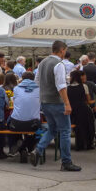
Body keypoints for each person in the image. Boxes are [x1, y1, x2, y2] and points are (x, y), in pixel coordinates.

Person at [32, 40, 81, 171]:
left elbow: (37, 82)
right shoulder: (59, 64)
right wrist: (67, 103)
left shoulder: (42, 63)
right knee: (65, 131)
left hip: (45, 102)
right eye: (65, 50)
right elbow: (61, 86)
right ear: (62, 50)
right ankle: (66, 162)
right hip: (57, 102)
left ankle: (38, 150)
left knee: (52, 129)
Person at [6, 71, 41, 164]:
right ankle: (28, 146)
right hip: (33, 123)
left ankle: (19, 146)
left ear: (22, 78)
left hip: (16, 124)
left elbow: (15, 101)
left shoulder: (16, 89)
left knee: (8, 123)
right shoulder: (39, 89)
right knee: (40, 130)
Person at [67, 70, 95, 151]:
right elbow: (88, 101)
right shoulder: (84, 86)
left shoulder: (67, 88)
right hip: (83, 110)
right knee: (90, 122)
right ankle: (89, 143)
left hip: (72, 113)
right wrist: (94, 101)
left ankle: (80, 144)